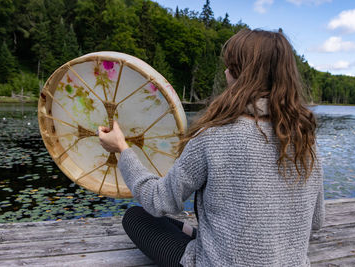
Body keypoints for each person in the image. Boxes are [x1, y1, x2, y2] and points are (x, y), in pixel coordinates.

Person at [98, 28, 324, 267]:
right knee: (190, 227)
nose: (226, 72)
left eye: (231, 66)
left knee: (136, 217)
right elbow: (316, 221)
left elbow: (158, 201)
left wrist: (122, 149)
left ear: (242, 75)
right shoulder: (304, 138)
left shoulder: (213, 136)